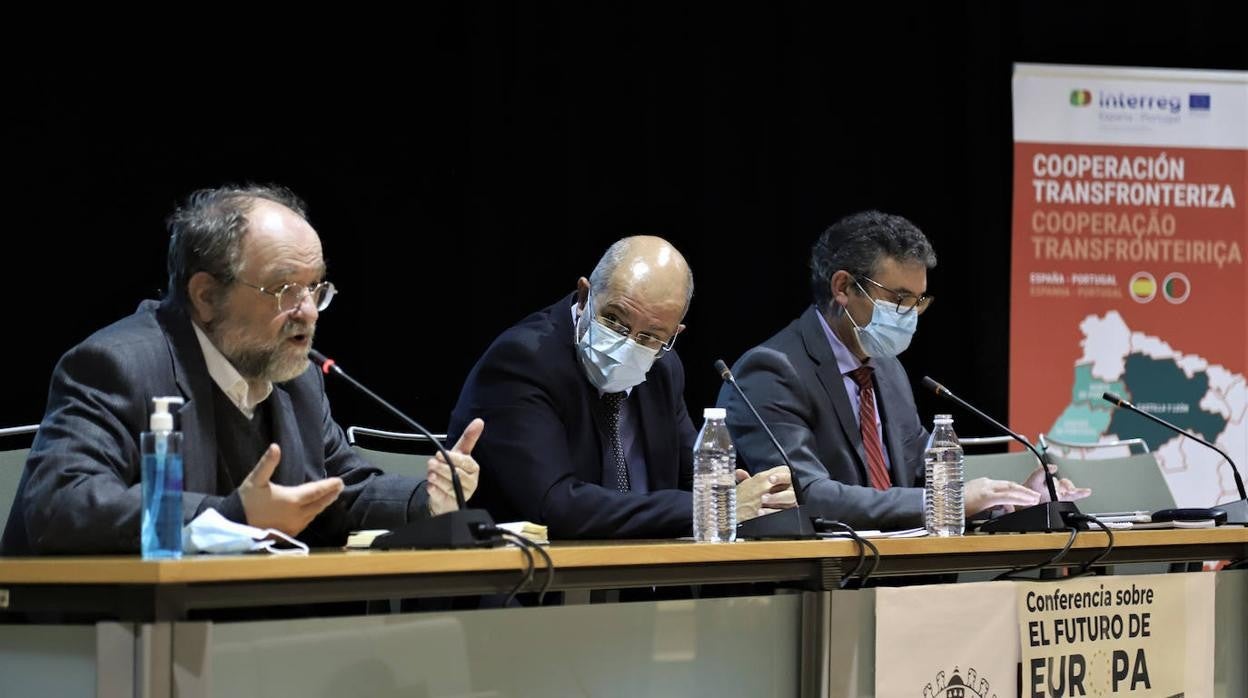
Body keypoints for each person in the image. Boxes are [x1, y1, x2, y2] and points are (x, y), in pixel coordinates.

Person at [2, 185, 482, 555]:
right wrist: (233, 515)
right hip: (93, 644)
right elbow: (61, 504)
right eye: (283, 290)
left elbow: (338, 490)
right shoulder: (117, 366)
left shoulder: (296, 377)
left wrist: (430, 497)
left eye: (315, 288)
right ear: (206, 295)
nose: (308, 311)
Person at [718, 210, 1088, 530]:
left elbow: (920, 476)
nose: (910, 315)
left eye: (918, 301)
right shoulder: (771, 371)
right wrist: (949, 503)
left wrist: (1009, 498)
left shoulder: (887, 369)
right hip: (819, 584)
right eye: (898, 299)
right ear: (843, 287)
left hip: (900, 573)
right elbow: (807, 495)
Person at [447, 236, 794, 539]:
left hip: (636, 586)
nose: (628, 344)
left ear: (673, 336)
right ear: (584, 295)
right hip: (526, 592)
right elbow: (556, 506)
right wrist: (715, 506)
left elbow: (690, 478)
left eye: (650, 336)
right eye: (614, 319)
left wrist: (736, 492)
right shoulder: (523, 361)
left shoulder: (662, 368)